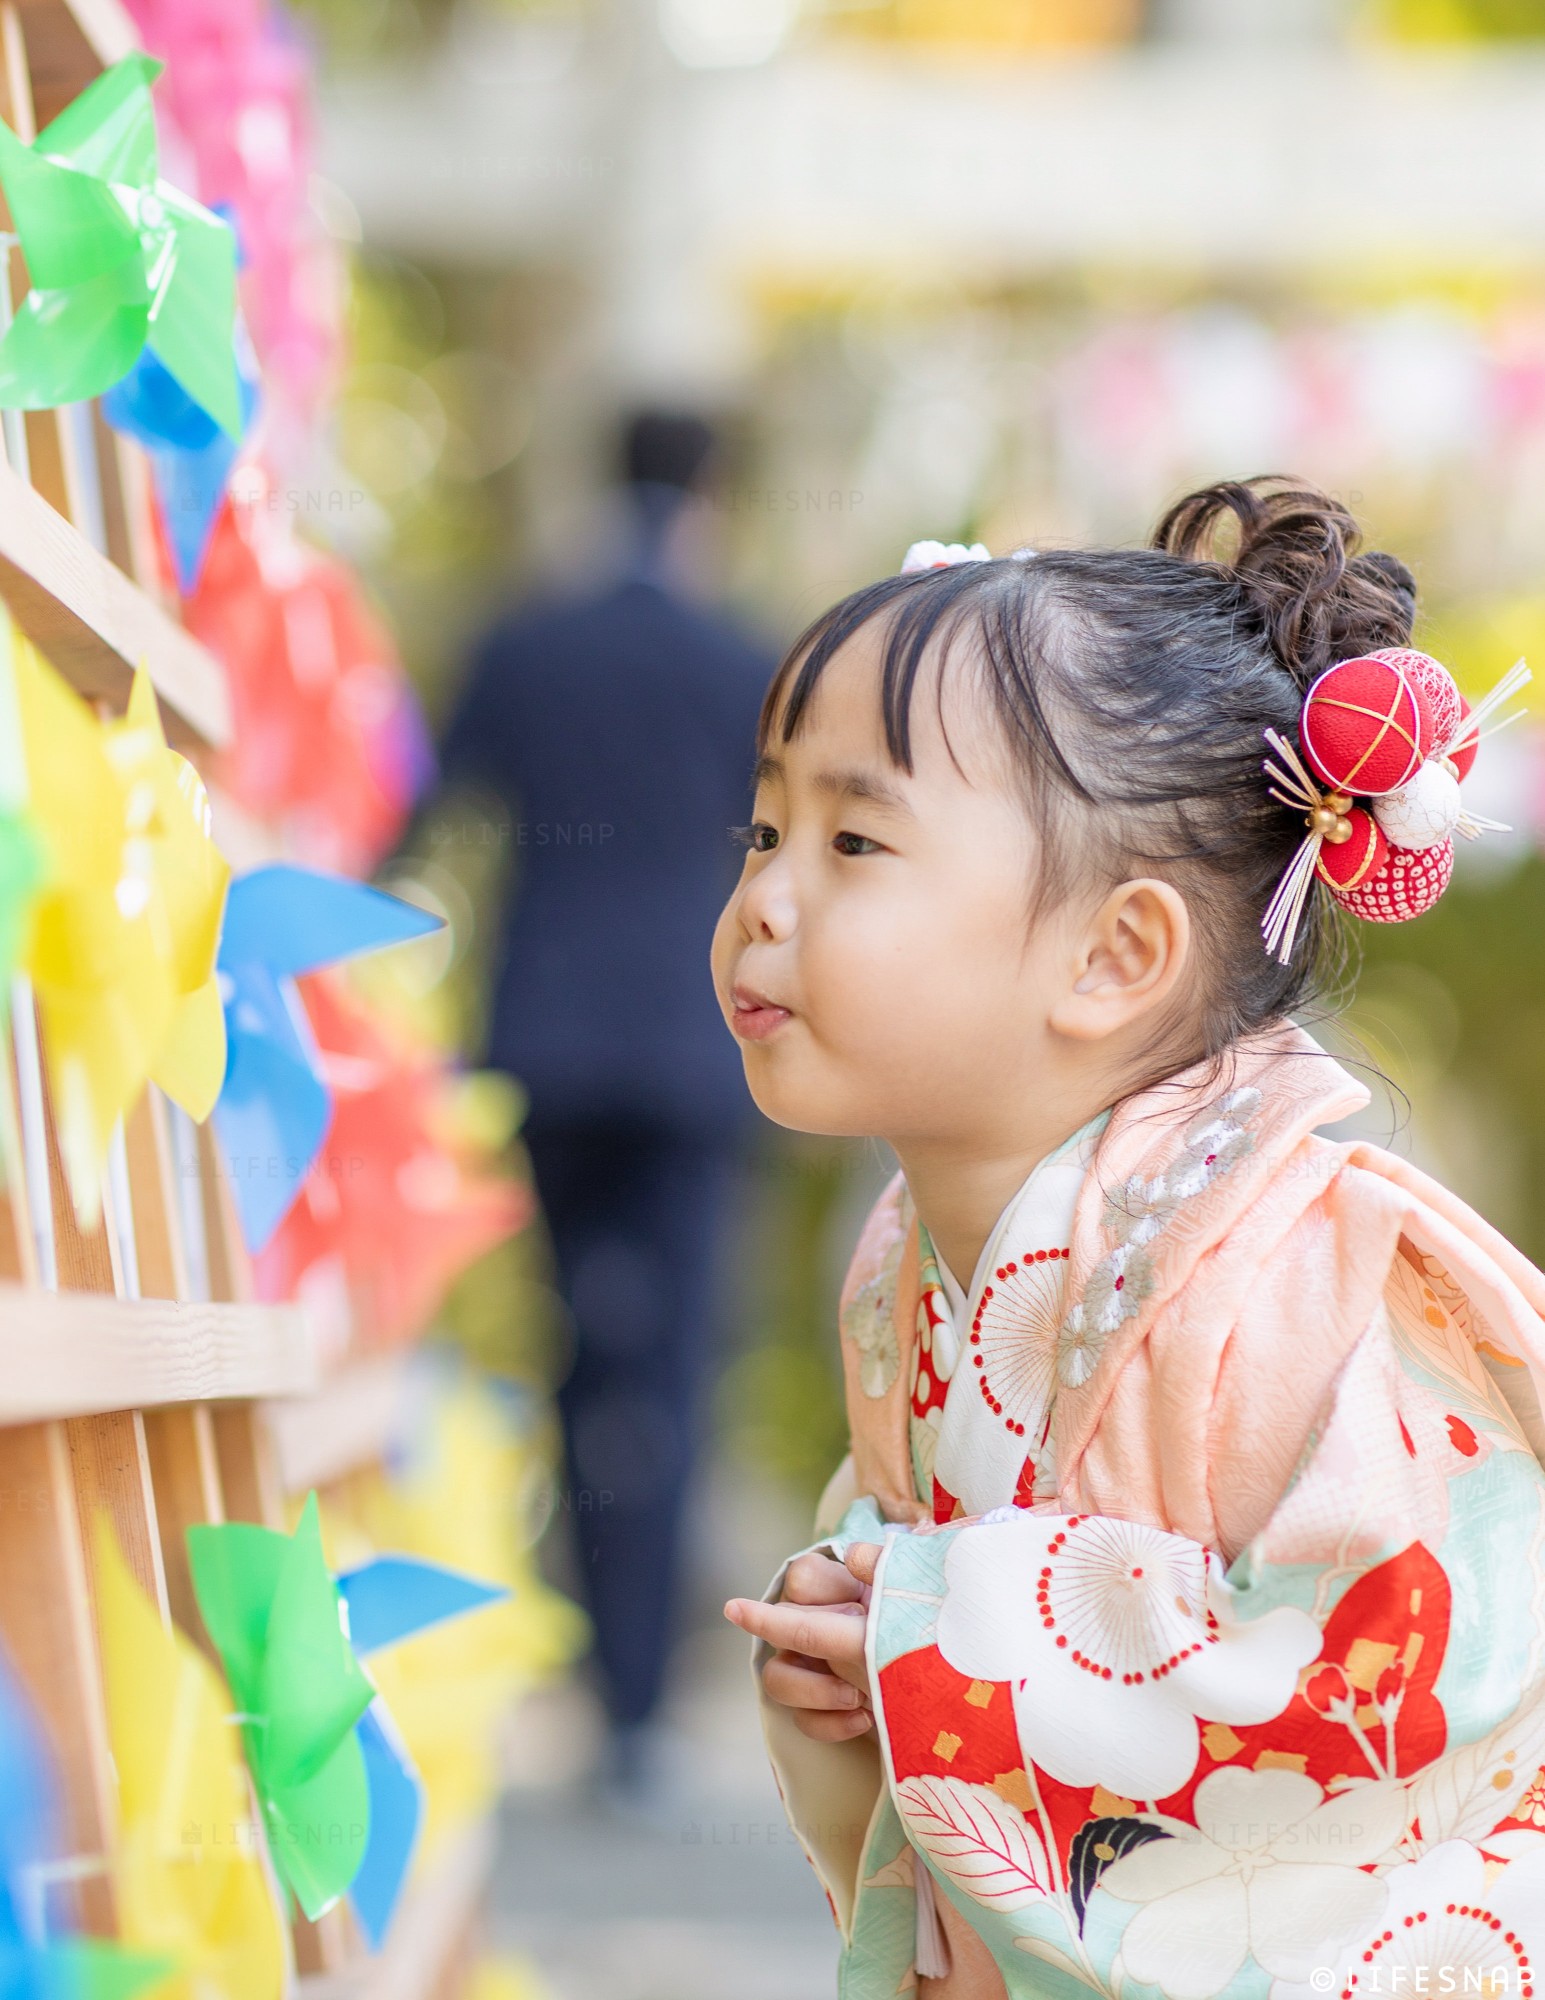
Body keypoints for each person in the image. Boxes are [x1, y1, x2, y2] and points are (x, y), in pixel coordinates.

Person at [716, 480, 1545, 1996]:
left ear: (1115, 955)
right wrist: (858, 1633)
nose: (761, 898)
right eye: (764, 825)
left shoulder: (1304, 1281)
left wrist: (934, 1632)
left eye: (852, 843)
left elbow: (1418, 1685)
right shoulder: (913, 1255)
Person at [440, 411, 771, 1799]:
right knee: (677, 1363)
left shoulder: (528, 641)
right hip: (704, 1055)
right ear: (707, 492)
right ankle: (637, 1711)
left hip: (551, 1049)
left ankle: (587, 1669)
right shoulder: (747, 658)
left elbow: (419, 808)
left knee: (580, 1351)